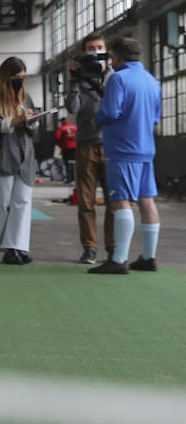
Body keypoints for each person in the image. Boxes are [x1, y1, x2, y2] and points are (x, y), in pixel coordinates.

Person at [89, 37, 162, 275]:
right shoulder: (152, 81)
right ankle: (149, 257)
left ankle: (119, 259)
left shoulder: (118, 78)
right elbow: (155, 118)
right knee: (146, 200)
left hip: (122, 150)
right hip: (145, 149)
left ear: (116, 57)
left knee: (121, 201)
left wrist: (95, 119)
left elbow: (110, 112)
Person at [0, 58, 37, 265]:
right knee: (5, 204)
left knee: (22, 202)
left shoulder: (26, 96)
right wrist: (16, 120)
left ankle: (19, 247)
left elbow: (31, 125)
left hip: (25, 156)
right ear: (6, 76)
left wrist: (31, 120)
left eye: (22, 78)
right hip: (3, 155)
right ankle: (8, 249)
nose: (19, 82)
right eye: (16, 78)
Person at [66, 33, 115, 264]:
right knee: (86, 202)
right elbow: (72, 107)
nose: (94, 52)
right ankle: (90, 248)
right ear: (83, 53)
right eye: (90, 48)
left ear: (106, 51)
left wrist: (106, 74)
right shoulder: (80, 80)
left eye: (99, 47)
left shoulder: (115, 78)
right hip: (85, 144)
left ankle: (113, 247)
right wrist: (74, 79)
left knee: (114, 201)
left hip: (111, 146)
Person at [53, 115, 77, 182]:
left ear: (62, 122)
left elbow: (57, 137)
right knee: (76, 163)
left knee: (68, 163)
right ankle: (76, 178)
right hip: (76, 147)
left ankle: (70, 179)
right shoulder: (75, 127)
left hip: (66, 147)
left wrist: (61, 145)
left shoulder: (61, 128)